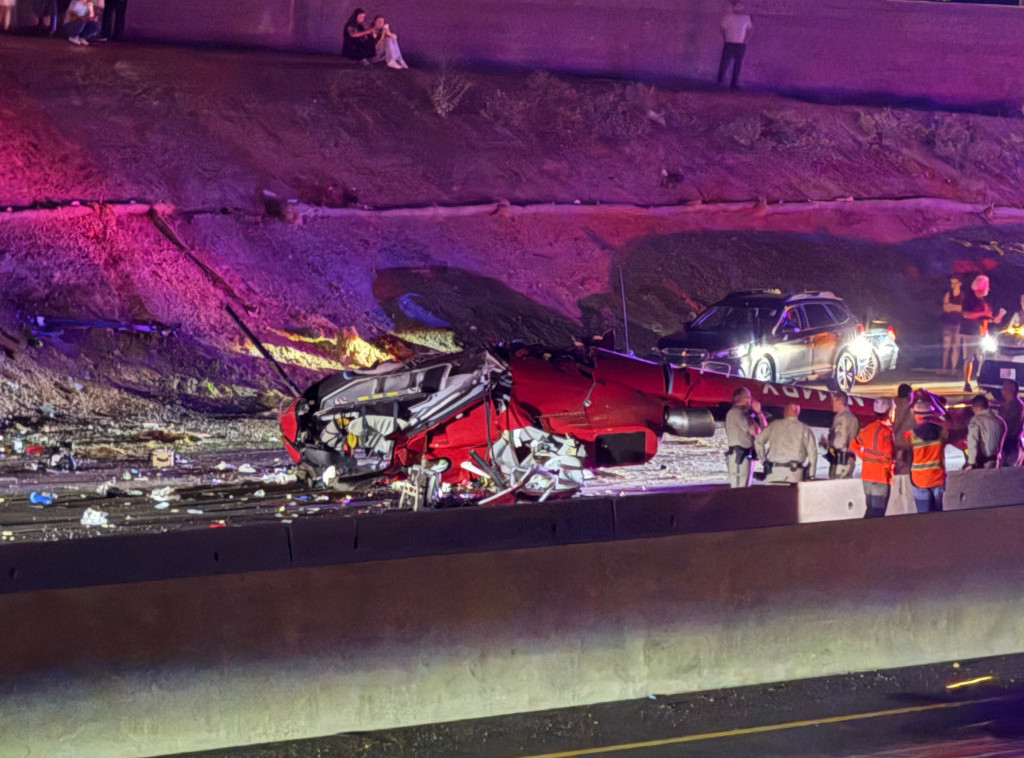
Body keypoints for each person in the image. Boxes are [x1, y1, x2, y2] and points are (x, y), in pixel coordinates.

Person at [898, 390, 948, 513]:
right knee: (937, 514)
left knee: (923, 516)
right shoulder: (942, 432)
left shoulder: (909, 435)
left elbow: (903, 456)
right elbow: (948, 419)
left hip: (919, 479)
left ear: (916, 415)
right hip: (937, 478)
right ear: (930, 414)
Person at [850, 398, 895, 518]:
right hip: (880, 478)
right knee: (877, 513)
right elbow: (888, 457)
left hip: (867, 476)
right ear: (889, 411)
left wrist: (864, 457)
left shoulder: (867, 429)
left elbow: (853, 445)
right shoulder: (886, 432)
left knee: (870, 510)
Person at [754, 403, 818, 484]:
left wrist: (763, 460)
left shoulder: (774, 425)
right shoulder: (805, 429)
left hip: (774, 472)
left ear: (786, 411)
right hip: (795, 474)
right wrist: (811, 475)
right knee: (793, 496)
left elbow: (758, 441)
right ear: (797, 412)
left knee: (774, 496)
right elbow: (813, 454)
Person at [961, 274, 1005, 392]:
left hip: (982, 331)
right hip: (969, 332)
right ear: (980, 288)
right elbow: (965, 314)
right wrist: (982, 313)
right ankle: (967, 382)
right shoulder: (969, 298)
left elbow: (985, 316)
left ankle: (983, 381)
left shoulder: (983, 300)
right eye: (986, 288)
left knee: (984, 357)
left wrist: (994, 319)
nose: (987, 290)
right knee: (969, 358)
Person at [724, 386, 766, 487]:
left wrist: (759, 413)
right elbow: (755, 431)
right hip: (739, 457)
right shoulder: (736, 413)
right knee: (739, 489)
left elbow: (765, 430)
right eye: (749, 397)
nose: (751, 400)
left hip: (745, 456)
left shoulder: (744, 413)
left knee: (744, 488)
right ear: (745, 399)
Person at [821, 391, 859, 479]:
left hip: (841, 462)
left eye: (833, 401)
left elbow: (840, 441)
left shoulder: (842, 418)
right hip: (845, 460)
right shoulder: (850, 418)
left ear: (840, 400)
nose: (831, 404)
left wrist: (829, 445)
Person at [717, 0, 752, 90]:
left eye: (741, 6)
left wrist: (745, 41)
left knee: (737, 64)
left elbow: (749, 30)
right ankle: (720, 81)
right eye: (737, 6)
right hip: (729, 43)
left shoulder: (746, 18)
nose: (739, 8)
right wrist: (725, 39)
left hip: (740, 44)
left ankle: (734, 83)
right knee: (724, 62)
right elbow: (722, 29)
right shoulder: (728, 17)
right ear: (733, 7)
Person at [965, 394, 1006, 469]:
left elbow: (972, 441)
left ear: (977, 407)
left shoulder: (976, 420)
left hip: (982, 462)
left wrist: (971, 463)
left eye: (972, 408)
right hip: (996, 460)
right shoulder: (1000, 420)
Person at [940, 275, 964, 374]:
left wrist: (951, 306)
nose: (953, 285)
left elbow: (963, 308)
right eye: (952, 283)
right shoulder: (948, 294)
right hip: (947, 323)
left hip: (958, 324)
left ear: (960, 283)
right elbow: (945, 308)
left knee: (956, 346)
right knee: (946, 346)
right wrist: (955, 307)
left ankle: (953, 369)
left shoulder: (963, 295)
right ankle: (944, 368)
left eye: (955, 283)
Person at [999, 379, 1024, 467]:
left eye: (1004, 387)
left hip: (1011, 442)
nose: (1002, 390)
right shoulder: (1008, 404)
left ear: (1010, 390)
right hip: (1010, 442)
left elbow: (1008, 424)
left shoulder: (1016, 406)